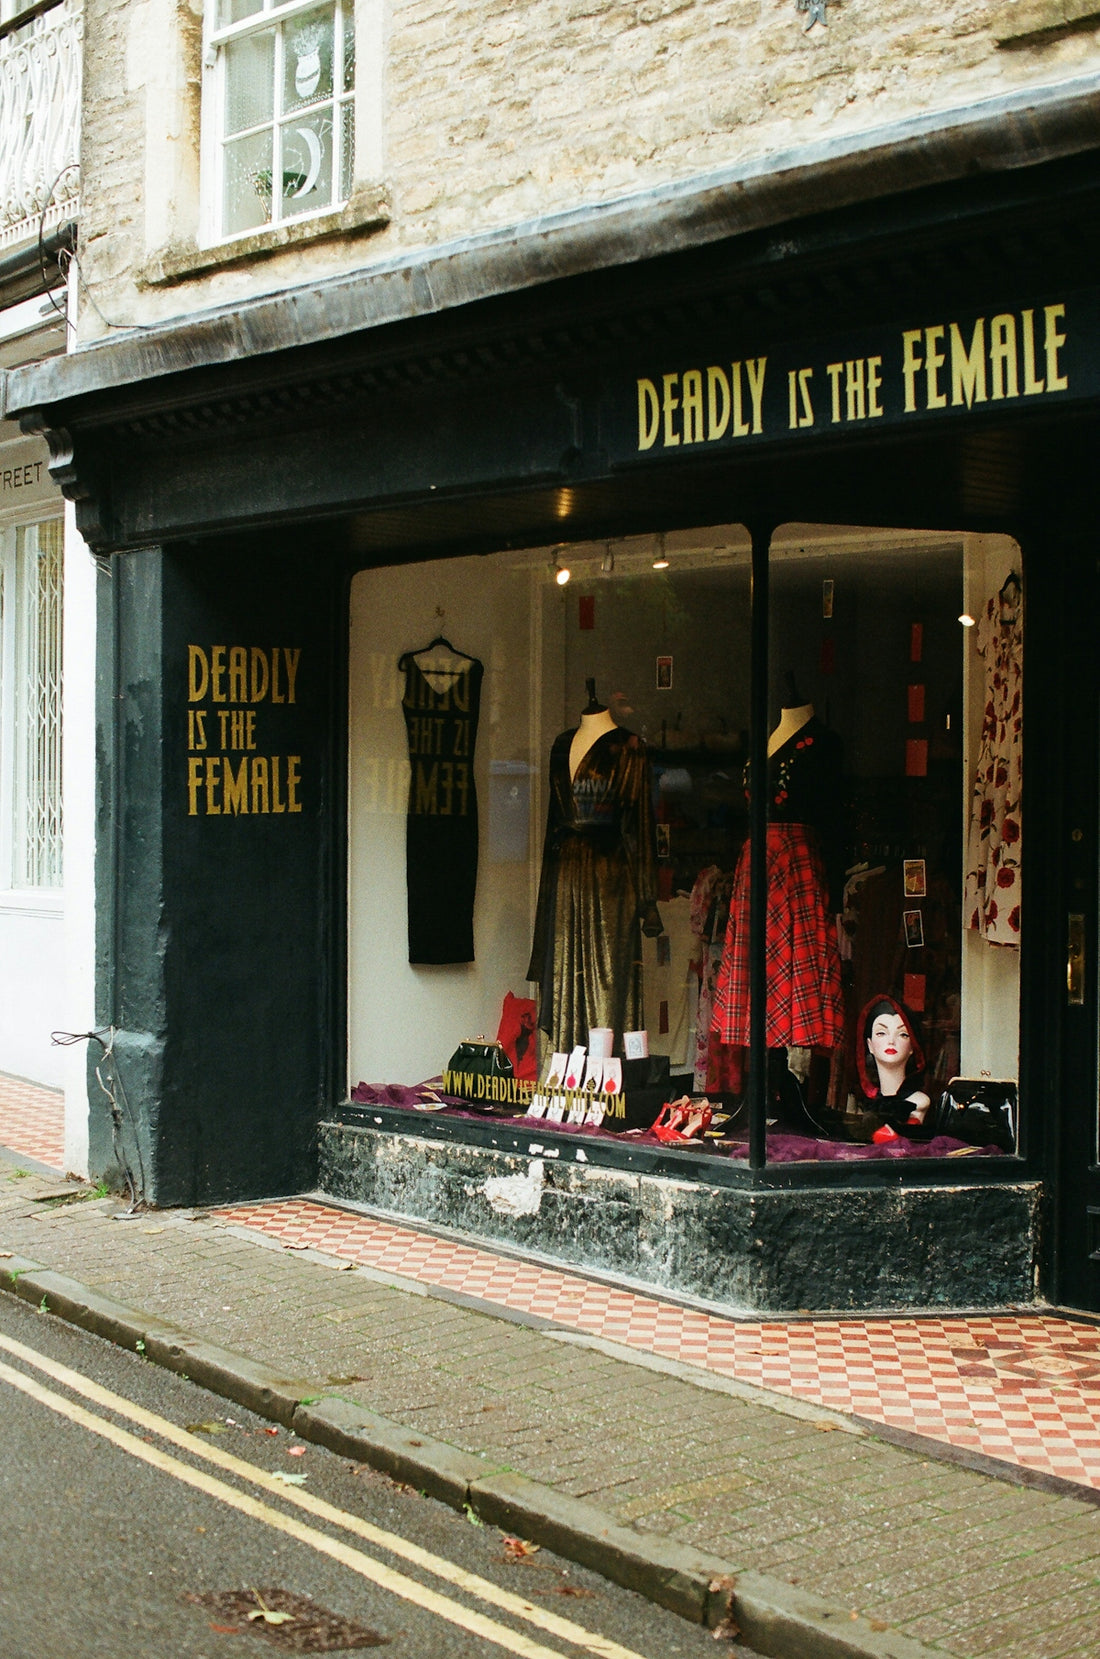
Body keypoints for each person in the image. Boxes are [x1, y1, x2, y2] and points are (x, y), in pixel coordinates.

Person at [855, 994, 931, 1136]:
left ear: (912, 1047)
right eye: (881, 1033)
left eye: (903, 1034)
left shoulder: (919, 1103)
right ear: (869, 1045)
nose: (891, 1041)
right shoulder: (870, 1102)